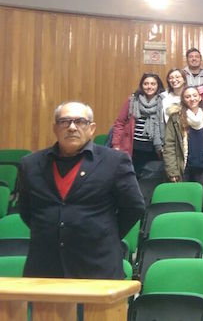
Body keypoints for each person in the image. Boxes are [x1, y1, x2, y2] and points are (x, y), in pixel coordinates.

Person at [19, 101, 144, 278]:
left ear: (91, 129)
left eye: (80, 121)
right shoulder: (31, 164)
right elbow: (26, 210)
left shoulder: (114, 162)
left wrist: (103, 233)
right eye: (64, 121)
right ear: (55, 128)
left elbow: (134, 207)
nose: (72, 127)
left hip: (98, 267)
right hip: (45, 269)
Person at [112, 73, 166, 180]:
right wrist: (116, 144)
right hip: (133, 147)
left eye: (153, 84)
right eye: (146, 84)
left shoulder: (163, 102)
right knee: (132, 178)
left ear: (158, 86)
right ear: (141, 85)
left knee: (151, 180)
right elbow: (120, 123)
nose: (149, 86)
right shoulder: (132, 100)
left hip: (155, 148)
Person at [164, 86, 203, 201]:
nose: (192, 99)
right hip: (183, 167)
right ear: (183, 99)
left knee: (202, 200)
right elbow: (169, 145)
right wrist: (172, 171)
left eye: (195, 95)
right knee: (184, 200)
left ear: (200, 98)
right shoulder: (175, 117)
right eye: (188, 96)